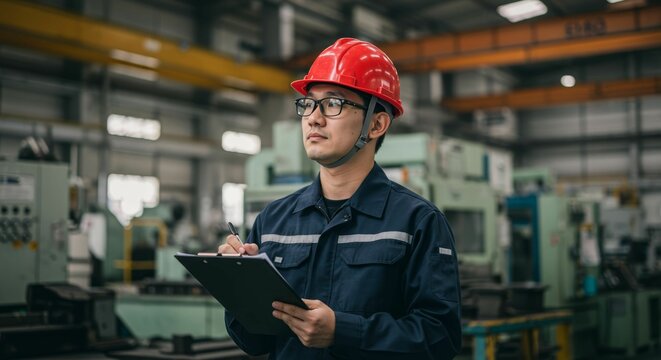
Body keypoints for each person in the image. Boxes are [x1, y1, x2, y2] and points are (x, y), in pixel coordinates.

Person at [218, 37, 461, 359]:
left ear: (376, 124)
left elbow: (440, 339)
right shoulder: (274, 220)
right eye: (308, 104)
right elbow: (256, 342)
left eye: (334, 104)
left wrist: (342, 331)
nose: (314, 118)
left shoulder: (417, 221)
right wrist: (241, 286)